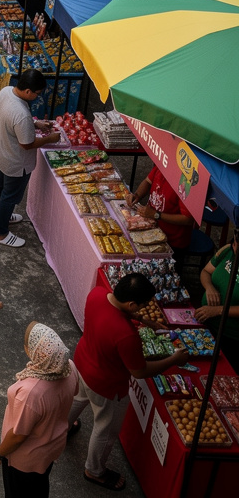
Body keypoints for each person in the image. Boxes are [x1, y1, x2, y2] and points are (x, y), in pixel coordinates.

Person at [69, 273, 188, 490]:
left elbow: (113, 314)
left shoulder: (98, 294)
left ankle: (63, 427)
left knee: (78, 398)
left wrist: (142, 319)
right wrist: (173, 360)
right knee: (105, 429)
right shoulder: (126, 335)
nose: (143, 309)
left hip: (83, 361)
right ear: (132, 303)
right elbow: (140, 371)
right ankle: (94, 470)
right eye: (142, 306)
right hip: (107, 385)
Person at [0, 322, 79, 498]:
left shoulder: (31, 393)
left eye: (28, 345)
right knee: (39, 487)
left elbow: (18, 435)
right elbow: (74, 392)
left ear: (35, 353)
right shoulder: (70, 368)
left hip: (25, 460)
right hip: (51, 448)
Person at [0, 70, 62, 248]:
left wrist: (34, 124)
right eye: (37, 93)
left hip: (2, 152)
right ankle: (0, 232)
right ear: (28, 91)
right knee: (9, 196)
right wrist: (49, 139)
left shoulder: (6, 91)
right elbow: (27, 144)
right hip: (16, 161)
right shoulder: (21, 113)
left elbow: (12, 122)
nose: (38, 97)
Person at [124, 166, 195, 259]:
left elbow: (188, 219)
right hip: (151, 228)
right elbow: (147, 181)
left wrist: (157, 215)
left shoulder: (185, 184)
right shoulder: (162, 166)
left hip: (172, 241)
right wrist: (137, 195)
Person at [196, 227, 239, 367]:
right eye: (235, 242)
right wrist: (209, 287)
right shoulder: (228, 250)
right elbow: (206, 272)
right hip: (206, 321)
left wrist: (218, 310)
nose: (234, 246)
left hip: (230, 335)